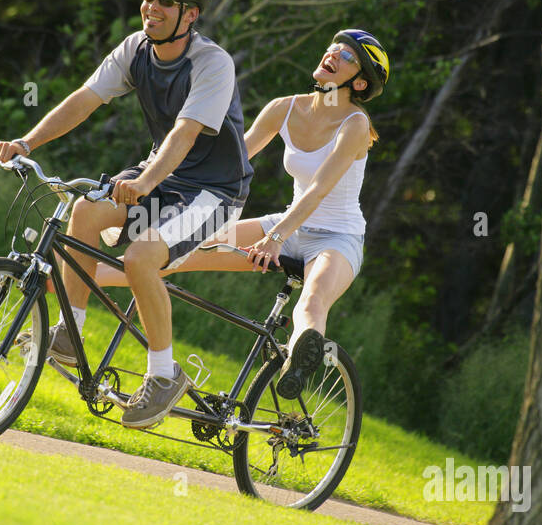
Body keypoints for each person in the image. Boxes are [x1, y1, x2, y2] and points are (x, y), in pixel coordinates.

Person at [0, 0, 252, 428]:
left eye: (165, 1)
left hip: (215, 193)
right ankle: (70, 334)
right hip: (162, 178)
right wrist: (26, 142)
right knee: (85, 212)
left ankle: (163, 375)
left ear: (190, 14)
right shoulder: (136, 49)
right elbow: (85, 99)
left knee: (139, 259)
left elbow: (185, 134)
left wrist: (144, 182)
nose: (151, 7)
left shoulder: (212, 63)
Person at [92, 29, 389, 398]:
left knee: (312, 300)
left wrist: (275, 237)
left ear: (360, 82)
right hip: (283, 226)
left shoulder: (355, 124)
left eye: (347, 57)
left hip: (336, 239)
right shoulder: (285, 108)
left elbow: (319, 189)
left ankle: (297, 362)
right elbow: (230, 164)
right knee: (177, 252)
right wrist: (163, 184)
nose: (333, 54)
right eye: (333, 48)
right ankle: (81, 276)